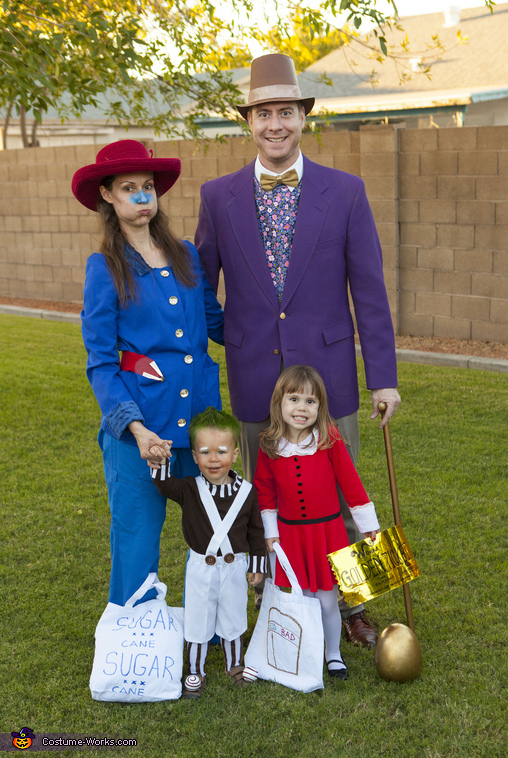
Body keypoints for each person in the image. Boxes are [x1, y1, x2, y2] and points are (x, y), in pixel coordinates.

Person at [195, 53, 400, 647]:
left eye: (286, 111)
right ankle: (278, 597)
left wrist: (381, 376)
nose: (275, 124)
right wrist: (231, 334)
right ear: (248, 122)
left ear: (302, 118)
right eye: (264, 113)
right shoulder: (218, 196)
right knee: (268, 494)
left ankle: (359, 604)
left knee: (344, 489)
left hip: (328, 373)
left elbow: (369, 289)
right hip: (256, 371)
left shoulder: (346, 192)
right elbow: (203, 289)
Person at [72, 139, 224, 608]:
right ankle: (134, 641)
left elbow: (216, 323)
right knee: (137, 541)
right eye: (129, 188)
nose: (142, 197)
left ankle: (215, 634)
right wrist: (135, 429)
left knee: (212, 538)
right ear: (108, 196)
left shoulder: (185, 255)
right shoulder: (105, 268)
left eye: (148, 187)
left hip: (199, 423)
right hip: (143, 431)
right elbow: (101, 360)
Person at [254, 365, 380, 679]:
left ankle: (333, 654)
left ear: (320, 407)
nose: (301, 408)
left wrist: (368, 524)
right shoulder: (269, 445)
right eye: (294, 399)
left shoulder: (329, 439)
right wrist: (270, 532)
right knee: (302, 599)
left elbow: (351, 484)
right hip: (291, 536)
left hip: (327, 532)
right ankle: (306, 651)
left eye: (310, 402)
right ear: (279, 404)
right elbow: (265, 493)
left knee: (326, 600)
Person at [149, 407, 266, 699]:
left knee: (234, 615)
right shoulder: (189, 488)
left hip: (235, 567)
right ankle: (196, 670)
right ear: (194, 456)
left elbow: (255, 531)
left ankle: (235, 664)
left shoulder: (247, 492)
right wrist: (162, 459)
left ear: (236, 454)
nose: (213, 459)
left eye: (222, 451)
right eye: (205, 452)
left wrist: (257, 564)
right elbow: (164, 485)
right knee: (198, 619)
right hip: (202, 567)